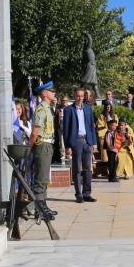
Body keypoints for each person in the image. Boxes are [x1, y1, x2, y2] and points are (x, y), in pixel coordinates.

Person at [63, 88, 98, 203]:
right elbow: (66, 129)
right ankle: (79, 194)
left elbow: (92, 127)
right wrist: (67, 146)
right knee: (77, 169)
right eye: (78, 96)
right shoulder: (68, 110)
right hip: (76, 141)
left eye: (82, 96)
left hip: (87, 141)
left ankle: (87, 193)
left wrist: (94, 142)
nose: (80, 98)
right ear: (74, 96)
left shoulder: (88, 108)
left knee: (88, 169)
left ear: (84, 97)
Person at [29, 82, 57, 221]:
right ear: (45, 93)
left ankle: (43, 206)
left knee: (44, 177)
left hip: (48, 145)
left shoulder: (48, 108)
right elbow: (35, 131)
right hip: (43, 145)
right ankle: (40, 208)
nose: (54, 93)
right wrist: (29, 147)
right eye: (51, 91)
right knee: (41, 178)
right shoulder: (41, 109)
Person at [104, 118, 120, 182]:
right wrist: (112, 148)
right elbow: (107, 142)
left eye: (115, 126)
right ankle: (111, 177)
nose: (114, 127)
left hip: (115, 150)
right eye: (113, 125)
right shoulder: (108, 133)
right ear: (110, 125)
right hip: (110, 151)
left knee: (115, 163)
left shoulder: (115, 132)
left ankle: (114, 176)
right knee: (111, 164)